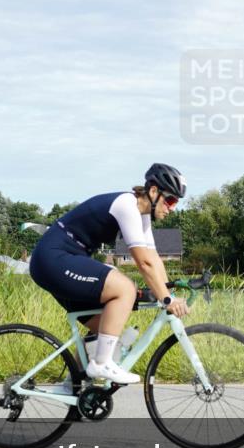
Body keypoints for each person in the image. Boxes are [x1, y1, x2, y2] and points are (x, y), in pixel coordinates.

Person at [29, 163, 190, 384]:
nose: (172, 208)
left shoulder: (142, 215)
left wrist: (168, 290)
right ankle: (101, 363)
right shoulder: (127, 206)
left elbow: (153, 258)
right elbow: (143, 263)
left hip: (67, 258)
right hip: (53, 258)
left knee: (104, 326)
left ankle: (73, 385)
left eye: (176, 203)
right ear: (154, 191)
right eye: (170, 200)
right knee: (125, 289)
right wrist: (167, 299)